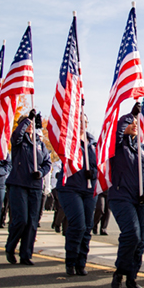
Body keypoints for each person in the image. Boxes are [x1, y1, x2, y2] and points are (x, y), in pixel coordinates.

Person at [109, 104, 144, 288]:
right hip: (121, 196)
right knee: (132, 234)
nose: (135, 124)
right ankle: (120, 271)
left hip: (141, 200)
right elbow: (118, 131)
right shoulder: (117, 145)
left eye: (137, 122)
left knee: (140, 240)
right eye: (132, 122)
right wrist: (130, 115)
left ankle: (132, 277)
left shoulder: (143, 149)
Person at [5, 110, 52, 265]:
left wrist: (41, 172)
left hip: (35, 186)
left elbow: (47, 162)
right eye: (27, 123)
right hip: (19, 184)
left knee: (32, 222)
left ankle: (26, 254)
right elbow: (16, 135)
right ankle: (11, 247)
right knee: (21, 220)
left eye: (32, 124)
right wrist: (28, 119)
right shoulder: (19, 141)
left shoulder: (39, 144)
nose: (31, 126)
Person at [55, 114, 98, 276]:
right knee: (78, 225)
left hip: (88, 189)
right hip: (70, 187)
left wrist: (92, 172)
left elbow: (100, 166)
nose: (81, 124)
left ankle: (81, 262)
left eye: (84, 121)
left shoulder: (94, 144)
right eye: (78, 121)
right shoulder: (68, 140)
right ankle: (71, 261)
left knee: (87, 227)